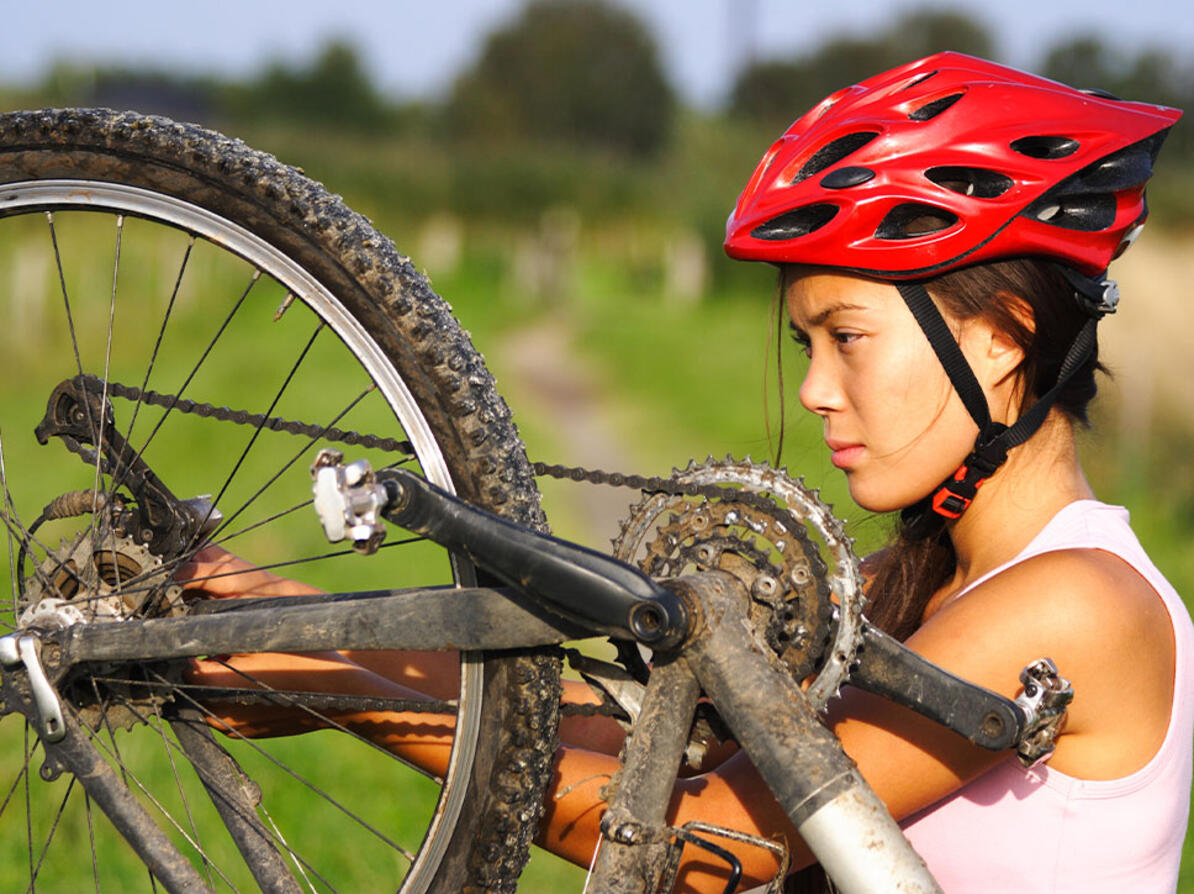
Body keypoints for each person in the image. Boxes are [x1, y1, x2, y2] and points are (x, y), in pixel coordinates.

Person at [180, 52, 1193, 892]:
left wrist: (342, 690)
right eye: (806, 348)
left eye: (846, 337)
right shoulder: (913, 586)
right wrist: (305, 629)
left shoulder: (1078, 605)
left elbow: (713, 838)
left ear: (1001, 344)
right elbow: (656, 749)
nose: (815, 392)